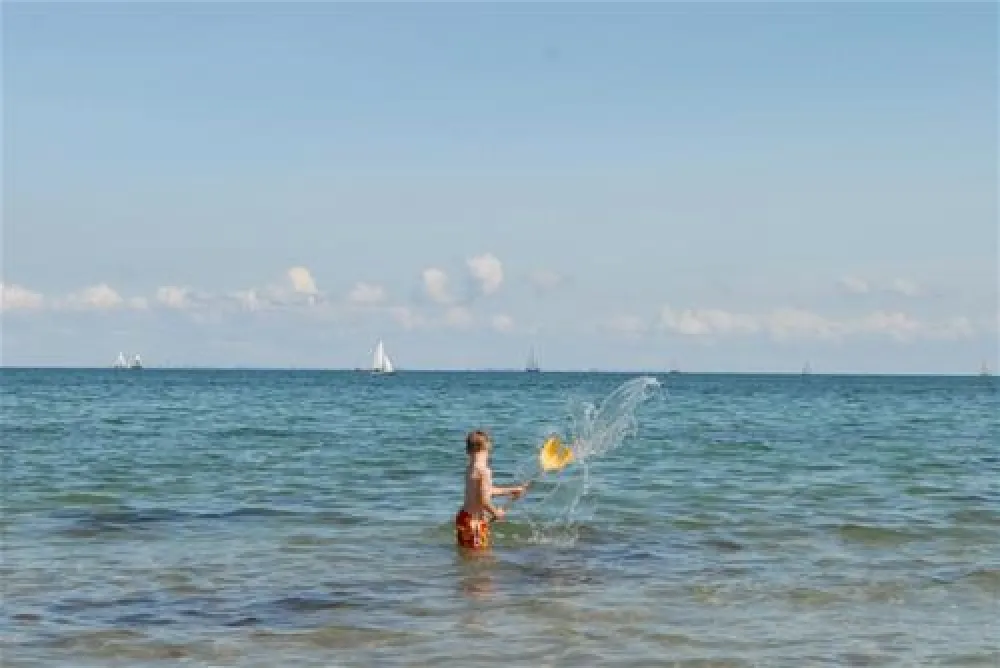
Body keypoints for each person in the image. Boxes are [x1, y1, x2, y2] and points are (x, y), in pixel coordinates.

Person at [455, 429, 529, 550]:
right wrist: (496, 513)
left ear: (468, 451)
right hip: (474, 523)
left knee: (468, 555)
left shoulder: (470, 469)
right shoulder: (484, 471)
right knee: (480, 559)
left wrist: (512, 490)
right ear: (487, 448)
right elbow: (484, 500)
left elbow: (484, 491)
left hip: (463, 518)